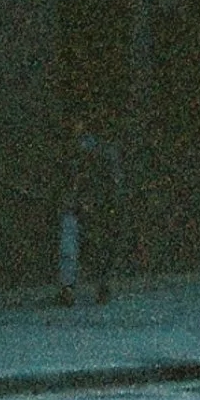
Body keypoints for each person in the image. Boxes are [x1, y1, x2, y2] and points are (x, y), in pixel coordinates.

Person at [59, 122, 122, 308]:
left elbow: (108, 181)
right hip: (80, 205)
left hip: (91, 205)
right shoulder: (77, 152)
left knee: (88, 246)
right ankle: (70, 287)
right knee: (72, 246)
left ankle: (90, 285)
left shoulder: (97, 153)